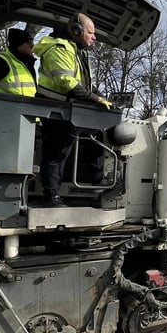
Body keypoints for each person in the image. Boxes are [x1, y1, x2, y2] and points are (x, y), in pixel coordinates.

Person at [33, 12, 112, 207]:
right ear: (76, 30)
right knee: (56, 152)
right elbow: (65, 82)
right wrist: (94, 98)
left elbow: (84, 83)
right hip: (56, 110)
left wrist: (101, 97)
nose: (94, 37)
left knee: (96, 135)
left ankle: (94, 180)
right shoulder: (59, 48)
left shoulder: (76, 50)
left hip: (69, 110)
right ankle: (51, 196)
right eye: (91, 32)